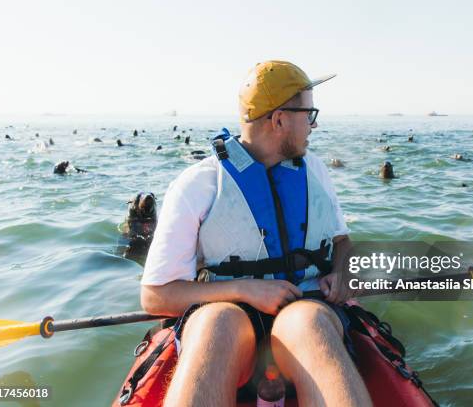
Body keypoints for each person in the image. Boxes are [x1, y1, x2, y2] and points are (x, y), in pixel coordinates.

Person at [141, 60, 371, 407]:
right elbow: (155, 296)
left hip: (305, 308)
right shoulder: (198, 185)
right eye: (308, 114)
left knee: (309, 324)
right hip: (227, 311)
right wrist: (245, 290)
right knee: (217, 324)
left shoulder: (317, 173)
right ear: (279, 120)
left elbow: (341, 242)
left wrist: (341, 272)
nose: (314, 124)